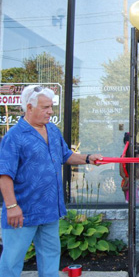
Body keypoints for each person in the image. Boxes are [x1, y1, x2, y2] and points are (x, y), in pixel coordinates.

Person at [0, 85, 103, 277]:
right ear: (29, 108)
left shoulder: (52, 131)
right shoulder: (14, 136)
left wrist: (88, 158)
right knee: (12, 260)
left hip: (49, 209)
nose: (50, 111)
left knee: (50, 255)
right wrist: (11, 206)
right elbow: (4, 174)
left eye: (51, 107)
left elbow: (66, 155)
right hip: (23, 211)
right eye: (45, 107)